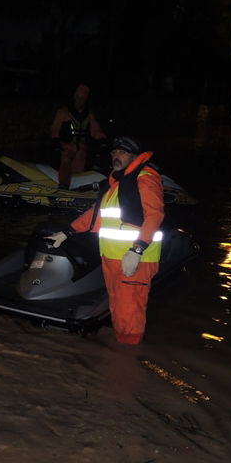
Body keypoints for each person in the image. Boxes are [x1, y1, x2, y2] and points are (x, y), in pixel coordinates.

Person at [45, 135, 164, 344]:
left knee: (129, 311)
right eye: (114, 152)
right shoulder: (118, 182)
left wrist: (137, 250)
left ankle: (127, 356)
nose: (116, 156)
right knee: (118, 306)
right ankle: (121, 345)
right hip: (112, 257)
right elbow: (97, 214)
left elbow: (155, 215)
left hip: (134, 259)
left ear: (134, 156)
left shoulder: (144, 178)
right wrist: (67, 232)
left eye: (122, 152)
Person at [50, 82, 106, 188]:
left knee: (79, 168)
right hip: (66, 146)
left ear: (86, 99)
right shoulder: (64, 111)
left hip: (81, 148)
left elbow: (95, 130)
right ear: (74, 96)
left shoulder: (88, 114)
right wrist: (55, 140)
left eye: (82, 98)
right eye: (78, 97)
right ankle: (63, 186)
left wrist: (102, 139)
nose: (79, 100)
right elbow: (55, 128)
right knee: (66, 163)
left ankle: (77, 187)